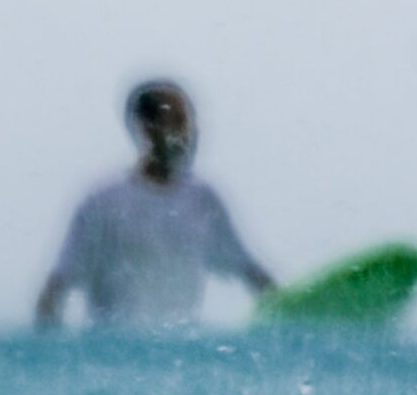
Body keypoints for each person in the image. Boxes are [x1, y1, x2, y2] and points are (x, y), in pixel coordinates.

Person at [35, 78, 275, 328]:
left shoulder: (203, 200)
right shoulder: (102, 203)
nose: (189, 132)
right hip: (112, 355)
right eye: (178, 121)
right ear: (146, 127)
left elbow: (251, 273)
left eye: (190, 121)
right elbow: (57, 288)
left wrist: (295, 317)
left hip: (181, 356)